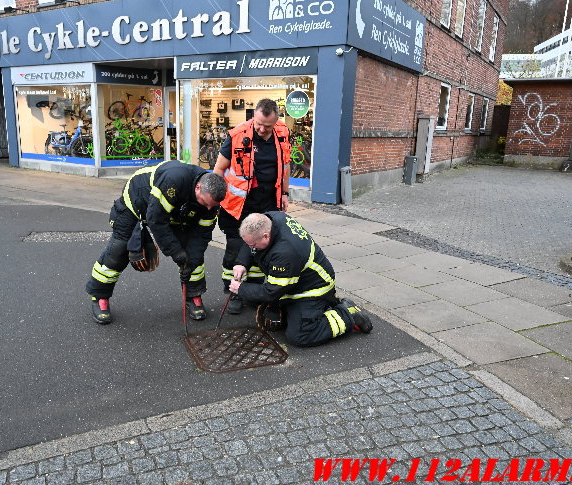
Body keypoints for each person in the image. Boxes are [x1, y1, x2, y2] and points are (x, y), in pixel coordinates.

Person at [86, 160, 227, 324]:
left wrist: (190, 260)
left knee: (192, 254)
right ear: (198, 188)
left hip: (176, 211)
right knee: (119, 250)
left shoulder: (211, 202)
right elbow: (156, 220)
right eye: (205, 203)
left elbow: (201, 235)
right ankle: (100, 296)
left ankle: (193, 295)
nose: (208, 209)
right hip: (138, 203)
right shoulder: (174, 180)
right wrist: (175, 251)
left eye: (213, 206)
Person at [228, 212, 373, 347]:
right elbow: (251, 240)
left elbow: (271, 291)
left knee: (299, 335)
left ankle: (347, 314)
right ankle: (305, 310)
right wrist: (242, 263)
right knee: (258, 300)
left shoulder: (285, 252)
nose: (250, 248)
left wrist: (240, 289)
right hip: (297, 281)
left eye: (253, 245)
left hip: (314, 289)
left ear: (266, 236)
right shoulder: (271, 218)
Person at [213, 98, 291, 316]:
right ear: (253, 116)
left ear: (275, 122)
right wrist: (215, 199)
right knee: (236, 248)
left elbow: (285, 165)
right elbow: (218, 170)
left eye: (267, 126)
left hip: (268, 203)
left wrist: (285, 193)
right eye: (258, 123)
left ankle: (252, 291)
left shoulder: (282, 133)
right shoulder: (237, 135)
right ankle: (233, 293)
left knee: (261, 248)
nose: (262, 129)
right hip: (238, 206)